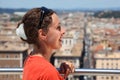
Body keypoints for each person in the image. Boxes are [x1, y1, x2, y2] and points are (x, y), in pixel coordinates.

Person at [16, 6, 74, 80]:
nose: (63, 31)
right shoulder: (48, 72)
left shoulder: (29, 60)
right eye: (58, 28)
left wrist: (59, 74)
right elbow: (47, 74)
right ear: (43, 34)